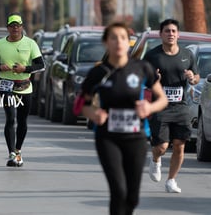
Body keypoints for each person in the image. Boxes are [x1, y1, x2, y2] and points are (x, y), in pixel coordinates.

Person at [80, 22, 168, 215]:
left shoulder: (142, 68)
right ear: (106, 43)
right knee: (118, 191)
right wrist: (93, 113)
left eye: (122, 37)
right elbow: (80, 105)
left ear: (128, 42)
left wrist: (149, 107)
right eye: (113, 37)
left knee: (132, 196)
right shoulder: (98, 72)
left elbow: (162, 99)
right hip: (107, 137)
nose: (118, 42)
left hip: (135, 138)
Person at [143, 18, 199, 193]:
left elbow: (197, 77)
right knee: (161, 146)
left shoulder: (187, 55)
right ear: (161, 34)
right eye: (167, 31)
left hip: (181, 107)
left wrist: (192, 78)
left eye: (174, 31)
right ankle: (156, 160)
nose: (171, 34)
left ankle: (171, 180)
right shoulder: (152, 56)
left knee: (180, 145)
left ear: (178, 34)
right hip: (160, 106)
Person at [0, 13, 45, 167]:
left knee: (22, 120)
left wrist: (24, 68)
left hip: (24, 86)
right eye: (12, 26)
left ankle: (18, 150)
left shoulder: (30, 43)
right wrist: (0, 66)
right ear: (7, 28)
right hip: (6, 85)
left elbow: (41, 65)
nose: (15, 28)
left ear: (21, 27)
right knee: (10, 118)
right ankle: (12, 152)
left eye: (18, 25)